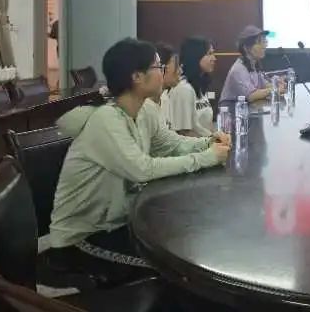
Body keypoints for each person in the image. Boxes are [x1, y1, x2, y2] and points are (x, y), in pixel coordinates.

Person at [48, 38, 230, 283]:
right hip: (83, 238)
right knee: (176, 265)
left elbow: (172, 144)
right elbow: (142, 169)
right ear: (137, 77)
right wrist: (206, 158)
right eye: (157, 66)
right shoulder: (106, 120)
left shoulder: (146, 110)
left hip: (120, 222)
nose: (163, 71)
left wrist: (208, 142)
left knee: (189, 241)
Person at [169, 36, 216, 136]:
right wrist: (213, 141)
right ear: (196, 56)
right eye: (209, 54)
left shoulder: (197, 86)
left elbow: (206, 125)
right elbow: (184, 132)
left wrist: (217, 137)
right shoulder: (183, 88)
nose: (214, 58)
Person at [220, 25, 279, 104]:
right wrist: (274, 89)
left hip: (246, 107)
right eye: (260, 42)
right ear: (246, 47)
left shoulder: (253, 64)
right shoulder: (238, 69)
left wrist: (277, 85)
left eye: (264, 42)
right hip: (231, 108)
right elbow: (251, 96)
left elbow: (264, 84)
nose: (264, 46)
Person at [146, 42, 181, 130]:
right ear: (162, 68)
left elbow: (169, 135)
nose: (180, 71)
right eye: (176, 66)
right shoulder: (144, 105)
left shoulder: (165, 98)